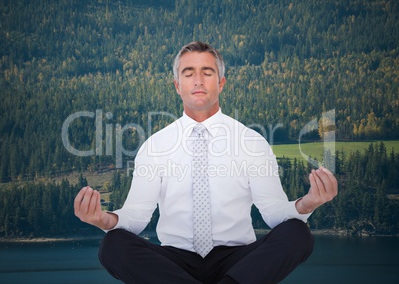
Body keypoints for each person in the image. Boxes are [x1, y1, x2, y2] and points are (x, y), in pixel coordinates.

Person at [74, 41, 338, 284]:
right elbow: (136, 217)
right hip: (175, 263)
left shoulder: (251, 142)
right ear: (177, 85)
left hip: (238, 262)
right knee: (113, 245)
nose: (198, 80)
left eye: (207, 72)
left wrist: (309, 203)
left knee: (298, 234)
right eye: (188, 73)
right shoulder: (155, 146)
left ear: (221, 83)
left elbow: (274, 213)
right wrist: (102, 219)